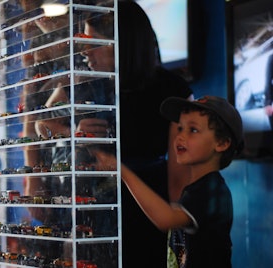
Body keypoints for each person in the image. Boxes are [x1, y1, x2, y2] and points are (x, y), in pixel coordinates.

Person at [24, 1, 194, 267]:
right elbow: (41, 123)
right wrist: (73, 132)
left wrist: (176, 230)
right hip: (97, 211)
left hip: (148, 206)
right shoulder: (85, 81)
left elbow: (179, 174)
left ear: (123, 44)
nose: (85, 52)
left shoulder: (172, 89)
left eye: (94, 43)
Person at [93, 95, 244, 268]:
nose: (180, 137)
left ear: (222, 143)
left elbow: (166, 218)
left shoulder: (212, 189)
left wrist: (122, 171)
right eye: (180, 128)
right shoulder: (197, 188)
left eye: (193, 130)